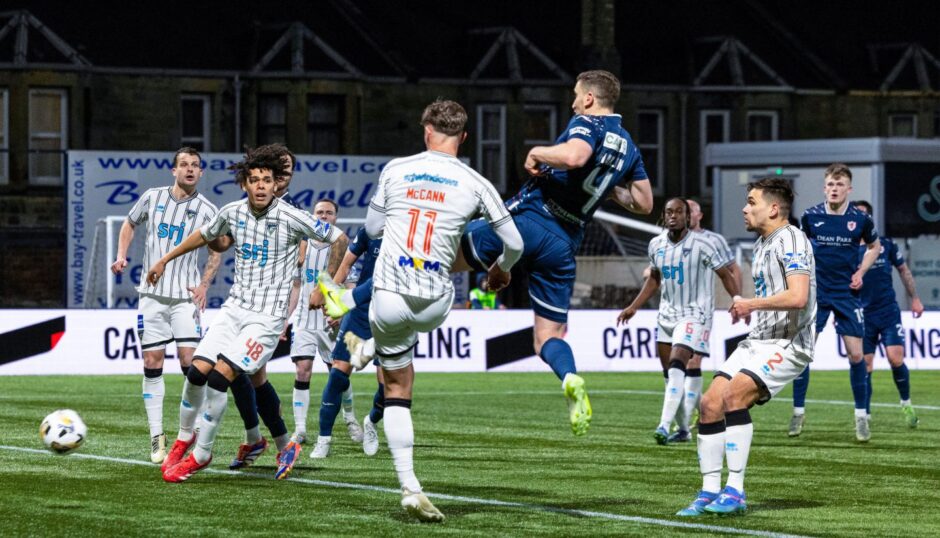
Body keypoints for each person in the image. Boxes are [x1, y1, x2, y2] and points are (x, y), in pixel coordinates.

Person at [319, 99, 524, 521]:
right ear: (463, 137)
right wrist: (500, 271)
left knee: (396, 387)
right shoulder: (476, 181)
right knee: (451, 270)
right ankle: (369, 346)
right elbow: (517, 244)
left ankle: (410, 486)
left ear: (426, 130)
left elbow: (373, 230)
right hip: (436, 302)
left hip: (388, 297)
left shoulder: (396, 169)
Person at [458, 69, 652, 436]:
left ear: (591, 99)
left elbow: (577, 157)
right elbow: (643, 202)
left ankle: (363, 313)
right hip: (565, 243)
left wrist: (537, 151)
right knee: (546, 337)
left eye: (577, 95)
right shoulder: (629, 145)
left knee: (438, 254)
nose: (573, 101)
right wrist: (611, 188)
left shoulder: (586, 123)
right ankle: (569, 378)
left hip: (532, 219)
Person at [149, 147, 348, 483]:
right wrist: (164, 259)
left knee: (223, 377)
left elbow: (339, 239)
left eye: (267, 180)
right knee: (198, 373)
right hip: (234, 309)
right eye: (254, 180)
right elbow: (208, 235)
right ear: (245, 183)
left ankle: (205, 454)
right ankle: (190, 437)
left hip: (267, 318)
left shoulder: (291, 216)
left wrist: (328, 289)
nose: (260, 185)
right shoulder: (233, 211)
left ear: (276, 184)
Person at [677, 177, 816, 516]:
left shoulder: (792, 240)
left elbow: (798, 296)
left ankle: (735, 490)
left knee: (734, 396)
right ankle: (709, 491)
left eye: (751, 202)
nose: (745, 208)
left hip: (790, 342)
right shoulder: (763, 243)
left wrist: (749, 304)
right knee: (709, 404)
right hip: (759, 340)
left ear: (773, 208)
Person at [110, 146, 221, 464]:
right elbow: (130, 223)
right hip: (152, 295)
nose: (189, 169)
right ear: (173, 170)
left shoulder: (207, 209)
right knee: (152, 361)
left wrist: (204, 284)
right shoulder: (152, 197)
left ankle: (194, 429)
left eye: (195, 165)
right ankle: (156, 435)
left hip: (185, 297)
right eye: (183, 164)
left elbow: (216, 249)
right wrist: (121, 255)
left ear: (201, 173)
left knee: (191, 364)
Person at [617, 198, 739, 445]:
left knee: (677, 364)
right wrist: (633, 306)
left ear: (688, 217)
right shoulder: (656, 245)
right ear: (664, 216)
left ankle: (663, 424)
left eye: (679, 212)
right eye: (669, 212)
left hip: (695, 315)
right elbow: (654, 279)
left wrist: (737, 300)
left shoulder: (703, 244)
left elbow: (725, 273)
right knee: (670, 375)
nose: (673, 216)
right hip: (666, 316)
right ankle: (684, 429)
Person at [790, 164, 880, 441]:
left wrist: (861, 272)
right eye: (830, 184)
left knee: (857, 356)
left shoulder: (860, 219)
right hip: (817, 293)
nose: (834, 189)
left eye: (839, 185)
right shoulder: (811, 216)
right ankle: (797, 413)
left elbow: (874, 247)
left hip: (846, 294)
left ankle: (861, 417)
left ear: (849, 189)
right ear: (824, 187)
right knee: (803, 353)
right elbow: (800, 247)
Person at [285, 199, 363, 463]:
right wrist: (287, 318)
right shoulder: (301, 248)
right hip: (306, 321)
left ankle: (350, 417)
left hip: (331, 322)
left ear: (336, 218)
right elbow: (296, 287)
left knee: (338, 374)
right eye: (320, 212)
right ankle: (300, 429)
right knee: (302, 370)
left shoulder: (345, 249)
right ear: (313, 216)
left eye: (329, 213)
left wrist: (343, 314)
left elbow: (351, 288)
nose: (324, 216)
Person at [309, 225, 386, 459]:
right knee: (339, 373)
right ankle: (323, 440)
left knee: (388, 388)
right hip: (361, 313)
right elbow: (346, 264)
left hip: (391, 316)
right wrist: (331, 296)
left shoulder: (412, 234)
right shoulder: (371, 231)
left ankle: (371, 422)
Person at [669, 199, 742, 441]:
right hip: (673, 312)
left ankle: (687, 422)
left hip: (701, 311)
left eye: (691, 209)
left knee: (693, 361)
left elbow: (733, 269)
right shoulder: (670, 238)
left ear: (699, 215)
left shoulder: (713, 240)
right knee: (677, 365)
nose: (687, 214)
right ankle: (686, 420)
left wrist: (738, 300)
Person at [853, 200, 922, 428]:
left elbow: (903, 271)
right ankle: (866, 413)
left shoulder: (885, 245)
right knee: (866, 365)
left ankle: (906, 402)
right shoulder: (849, 249)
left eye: (863, 215)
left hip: (888, 311)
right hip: (862, 315)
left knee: (896, 358)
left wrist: (915, 298)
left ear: (869, 219)